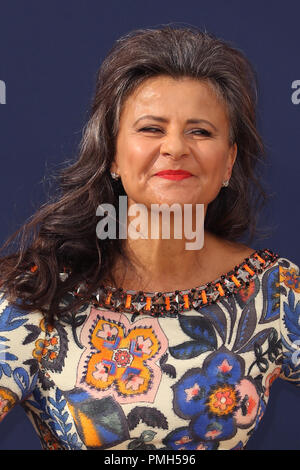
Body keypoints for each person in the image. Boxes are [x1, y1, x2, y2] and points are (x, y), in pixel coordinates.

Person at [0, 25, 299, 451]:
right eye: (151, 129)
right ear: (113, 155)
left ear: (228, 161)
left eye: (201, 131)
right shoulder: (40, 292)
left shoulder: (278, 293)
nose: (175, 147)